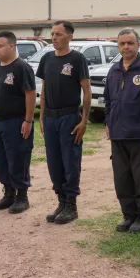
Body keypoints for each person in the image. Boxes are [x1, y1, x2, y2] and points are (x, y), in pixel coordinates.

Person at [104, 28, 140, 233]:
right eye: (122, 44)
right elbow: (109, 100)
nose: (126, 47)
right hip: (118, 134)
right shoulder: (113, 70)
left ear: (138, 45)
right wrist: (108, 122)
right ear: (118, 46)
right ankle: (128, 214)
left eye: (130, 43)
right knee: (122, 178)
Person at [38, 20, 91, 225]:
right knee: (54, 162)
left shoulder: (77, 59)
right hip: (50, 117)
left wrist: (84, 121)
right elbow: (43, 91)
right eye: (52, 34)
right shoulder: (47, 59)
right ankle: (61, 200)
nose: (54, 37)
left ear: (70, 36)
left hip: (69, 117)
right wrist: (41, 117)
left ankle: (71, 205)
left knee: (70, 160)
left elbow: (86, 91)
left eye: (58, 34)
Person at [0, 31, 37, 214]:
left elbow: (30, 94)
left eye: (0, 46)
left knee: (18, 157)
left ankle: (22, 196)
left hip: (16, 121)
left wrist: (28, 120)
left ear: (11, 46)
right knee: (0, 158)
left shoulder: (21, 67)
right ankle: (8, 194)